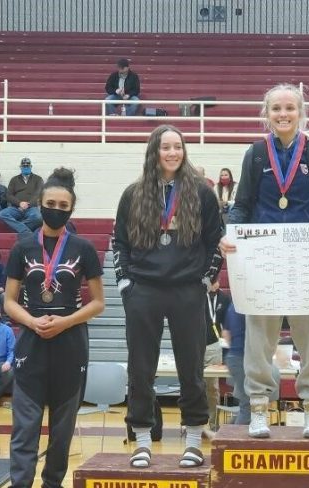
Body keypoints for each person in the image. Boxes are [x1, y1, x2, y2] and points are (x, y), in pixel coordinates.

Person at [222, 83, 309, 440]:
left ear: (301, 112)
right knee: (259, 341)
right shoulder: (255, 153)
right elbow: (242, 205)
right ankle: (260, 409)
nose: (283, 114)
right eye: (276, 109)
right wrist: (230, 235)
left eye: (289, 108)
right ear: (266, 114)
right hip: (264, 258)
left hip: (307, 257)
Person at [113, 125, 223, 469]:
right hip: (143, 289)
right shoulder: (133, 194)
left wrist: (205, 280)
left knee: (191, 367)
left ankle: (192, 440)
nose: (173, 153)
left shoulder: (201, 195)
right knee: (140, 368)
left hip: (186, 289)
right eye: (166, 147)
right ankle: (142, 440)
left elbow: (214, 242)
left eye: (178, 147)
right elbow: (119, 243)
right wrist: (125, 284)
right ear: (154, 152)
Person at [2, 168, 105, 488]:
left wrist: (66, 322)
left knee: (62, 433)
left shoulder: (83, 248)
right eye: (50, 204)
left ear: (71, 209)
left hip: (70, 346)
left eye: (63, 206)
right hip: (31, 344)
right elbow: (9, 301)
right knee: (25, 431)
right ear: (41, 205)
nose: (56, 210)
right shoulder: (22, 246)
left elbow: (98, 304)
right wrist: (32, 322)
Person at [203, 280, 229, 435]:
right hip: (194, 344)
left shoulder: (224, 299)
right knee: (193, 385)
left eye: (215, 281)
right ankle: (193, 422)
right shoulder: (198, 295)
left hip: (214, 345)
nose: (213, 284)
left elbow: (228, 324)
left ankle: (213, 424)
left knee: (212, 387)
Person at [221, 299, 249, 425]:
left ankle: (224, 433)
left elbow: (226, 333)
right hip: (242, 357)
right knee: (248, 404)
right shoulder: (247, 305)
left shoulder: (232, 305)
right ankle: (234, 440)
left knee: (245, 403)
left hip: (233, 356)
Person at [0, 158, 43, 235]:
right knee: (2, 214)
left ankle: (19, 228)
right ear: (20, 167)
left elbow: (39, 194)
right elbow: (9, 195)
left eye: (27, 166)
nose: (26, 167)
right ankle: (26, 231)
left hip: (32, 208)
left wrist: (28, 204)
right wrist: (19, 203)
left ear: (31, 166)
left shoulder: (38, 179)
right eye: (24, 166)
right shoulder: (14, 179)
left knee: (38, 217)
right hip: (16, 208)